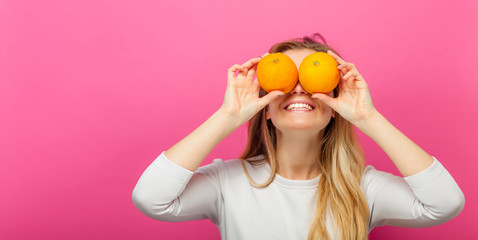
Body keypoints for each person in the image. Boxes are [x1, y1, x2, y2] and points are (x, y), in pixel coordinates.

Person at [131, 33, 465, 240]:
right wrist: (228, 116)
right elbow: (150, 198)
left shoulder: (362, 188)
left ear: (335, 107)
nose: (300, 89)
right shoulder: (227, 182)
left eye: (313, 77)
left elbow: (445, 204)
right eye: (285, 80)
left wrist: (367, 117)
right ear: (265, 108)